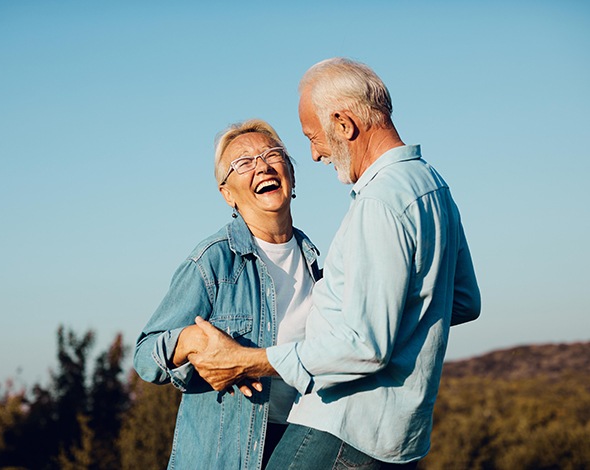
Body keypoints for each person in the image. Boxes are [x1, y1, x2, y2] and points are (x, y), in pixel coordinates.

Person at [189, 57, 481, 468]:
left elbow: (365, 346)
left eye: (314, 137)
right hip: (401, 439)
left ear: (344, 125)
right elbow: (464, 300)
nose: (314, 154)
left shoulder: (379, 203)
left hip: (342, 428)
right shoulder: (432, 185)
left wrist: (248, 360)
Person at [133, 119, 321, 469]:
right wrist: (190, 340)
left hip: (299, 443)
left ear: (291, 174)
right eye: (243, 163)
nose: (262, 166)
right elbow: (145, 355)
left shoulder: (317, 262)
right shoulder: (213, 260)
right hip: (227, 456)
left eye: (272, 154)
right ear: (227, 193)